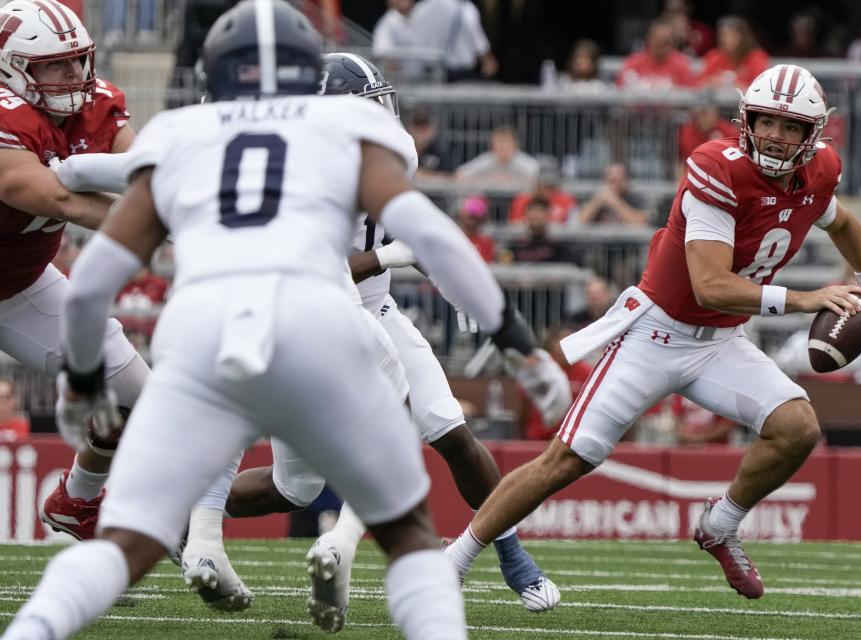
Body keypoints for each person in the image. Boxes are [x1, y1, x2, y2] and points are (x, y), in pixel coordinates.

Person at [0, 4, 570, 637]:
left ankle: (49, 620)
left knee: (131, 537)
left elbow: (89, 275)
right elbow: (436, 241)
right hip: (323, 319)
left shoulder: (178, 139)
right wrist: (522, 347)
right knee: (406, 528)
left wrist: (82, 382)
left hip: (206, 328)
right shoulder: (349, 141)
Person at [444, 64, 861, 602]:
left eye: (789, 128)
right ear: (747, 120)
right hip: (656, 334)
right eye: (766, 122)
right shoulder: (718, 167)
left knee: (797, 427)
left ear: (813, 136)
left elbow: (844, 223)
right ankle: (454, 560)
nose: (775, 137)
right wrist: (804, 299)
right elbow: (710, 285)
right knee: (567, 459)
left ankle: (720, 524)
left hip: (720, 344)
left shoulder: (819, 172)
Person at [177, 52, 562, 621]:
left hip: (372, 311)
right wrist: (386, 254)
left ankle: (510, 553)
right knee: (297, 487)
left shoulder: (387, 154)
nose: (381, 119)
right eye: (365, 109)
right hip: (308, 312)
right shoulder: (295, 177)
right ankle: (194, 521)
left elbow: (413, 232)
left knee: (451, 432)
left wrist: (448, 278)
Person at [0, 0, 150, 542]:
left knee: (138, 395)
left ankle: (78, 500)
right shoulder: (4, 115)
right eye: (54, 66)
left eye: (79, 61)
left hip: (18, 286)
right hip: (20, 282)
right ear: (12, 68)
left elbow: (146, 180)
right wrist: (156, 226)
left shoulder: (98, 105)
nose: (75, 76)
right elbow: (56, 197)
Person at [519, 327, 592, 441]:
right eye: (564, 340)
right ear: (552, 344)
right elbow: (524, 405)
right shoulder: (540, 368)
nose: (569, 345)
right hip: (537, 438)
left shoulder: (586, 372)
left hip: (570, 440)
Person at [409, 0, 498, 81]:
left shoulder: (420, 9)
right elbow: (478, 40)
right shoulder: (465, 8)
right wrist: (487, 61)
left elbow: (413, 41)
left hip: (428, 74)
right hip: (460, 73)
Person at [616, 19, 696, 90]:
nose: (663, 45)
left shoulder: (682, 64)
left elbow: (690, 96)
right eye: (659, 40)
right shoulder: (633, 62)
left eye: (667, 41)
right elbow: (621, 92)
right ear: (649, 40)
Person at [698, 17, 769, 90]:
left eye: (732, 35)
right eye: (723, 35)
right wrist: (712, 82)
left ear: (743, 37)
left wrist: (736, 85)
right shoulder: (714, 56)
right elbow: (699, 84)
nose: (727, 39)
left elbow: (761, 87)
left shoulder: (756, 57)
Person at [455, 125, 539, 186]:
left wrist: (511, 180)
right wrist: (488, 179)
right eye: (499, 144)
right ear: (492, 146)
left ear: (515, 145)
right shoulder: (487, 159)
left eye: (506, 143)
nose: (503, 148)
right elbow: (460, 175)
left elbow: (537, 179)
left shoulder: (524, 162)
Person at [508, 198, 577, 264]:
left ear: (548, 215)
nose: (535, 215)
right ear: (526, 216)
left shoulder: (558, 248)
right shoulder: (515, 246)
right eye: (531, 211)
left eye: (539, 211)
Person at [577, 162, 648, 225]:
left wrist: (615, 202)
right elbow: (581, 219)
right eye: (611, 180)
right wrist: (598, 201)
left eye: (618, 180)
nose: (614, 185)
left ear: (626, 180)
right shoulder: (598, 197)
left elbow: (640, 221)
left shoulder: (634, 197)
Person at [508, 163, 577, 225]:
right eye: (546, 186)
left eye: (552, 186)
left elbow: (574, 225)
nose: (548, 190)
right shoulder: (522, 200)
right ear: (537, 184)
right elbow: (515, 224)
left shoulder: (566, 200)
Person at [457, 194, 496, 262]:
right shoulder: (453, 238)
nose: (472, 219)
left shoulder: (486, 243)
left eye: (475, 217)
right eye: (470, 215)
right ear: (462, 214)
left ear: (482, 220)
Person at [0, 376, 29, 441]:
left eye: (7, 397)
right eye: (0, 398)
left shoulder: (21, 425)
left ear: (14, 401)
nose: (3, 402)